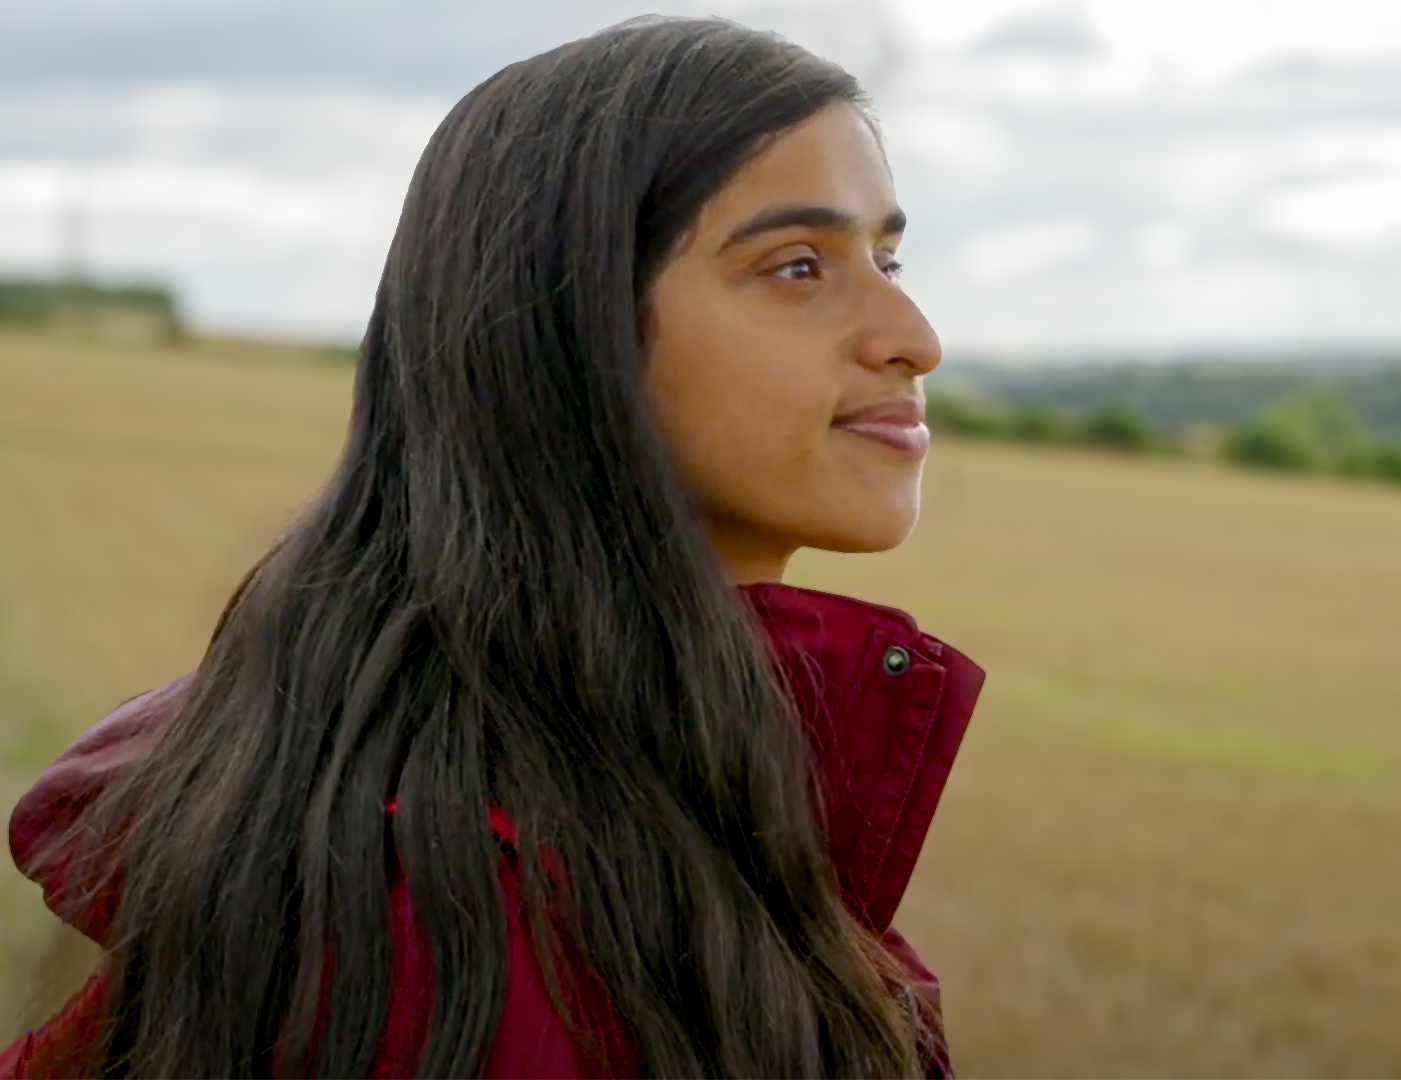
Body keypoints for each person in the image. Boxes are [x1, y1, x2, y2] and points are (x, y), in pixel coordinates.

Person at [0, 15, 983, 1079]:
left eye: (887, 256)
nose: (914, 335)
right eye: (798, 266)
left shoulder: (671, 791)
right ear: (566, 333)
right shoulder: (462, 929)